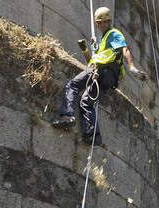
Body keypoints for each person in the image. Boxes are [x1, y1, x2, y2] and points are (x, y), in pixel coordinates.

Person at [52, 6, 146, 146]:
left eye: (104, 22)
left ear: (109, 21)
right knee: (86, 102)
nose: (101, 24)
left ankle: (67, 116)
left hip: (102, 71)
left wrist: (132, 67)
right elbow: (91, 63)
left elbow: (124, 49)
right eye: (99, 22)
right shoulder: (102, 41)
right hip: (107, 78)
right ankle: (93, 137)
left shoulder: (113, 34)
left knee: (72, 85)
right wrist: (85, 50)